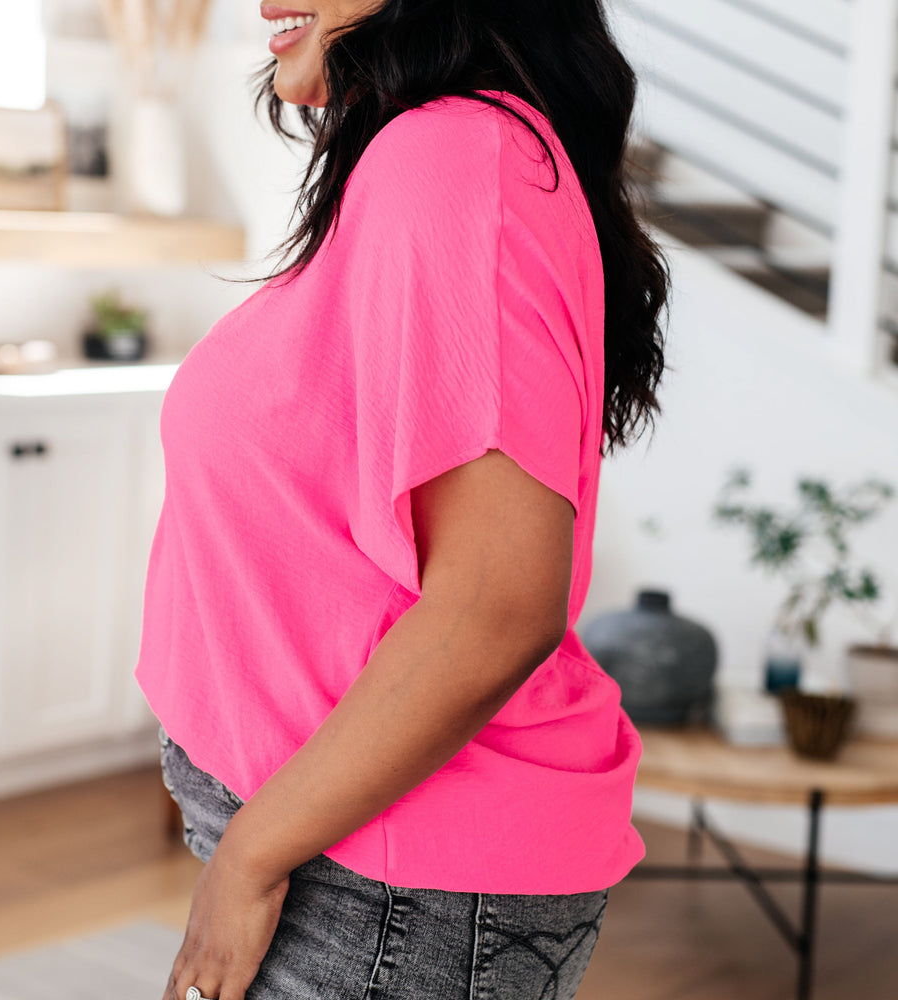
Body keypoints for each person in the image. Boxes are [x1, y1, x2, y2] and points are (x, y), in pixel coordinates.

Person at [135, 1, 670, 998]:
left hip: (374, 880)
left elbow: (494, 607)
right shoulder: (435, 158)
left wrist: (253, 854)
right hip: (348, 853)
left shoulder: (458, 157)